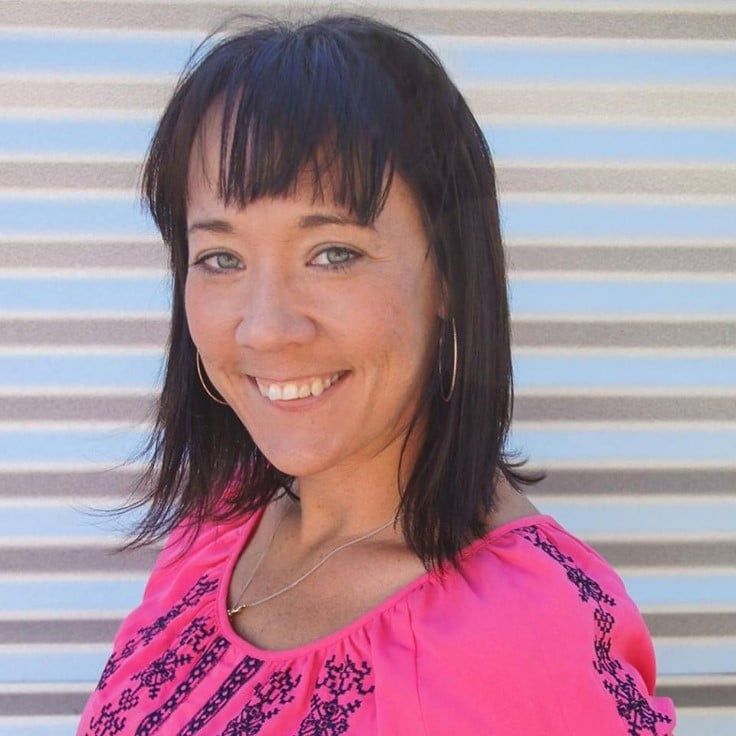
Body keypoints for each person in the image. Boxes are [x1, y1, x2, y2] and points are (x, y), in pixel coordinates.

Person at [78, 14, 676, 735]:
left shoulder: (524, 636)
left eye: (333, 253)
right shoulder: (219, 524)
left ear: (449, 275)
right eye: (222, 258)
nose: (265, 327)